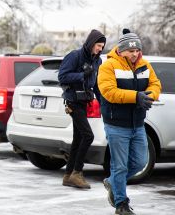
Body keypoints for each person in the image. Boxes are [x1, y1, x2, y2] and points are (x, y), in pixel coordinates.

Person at [98, 29, 161, 215]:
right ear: (121, 50)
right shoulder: (108, 66)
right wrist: (136, 97)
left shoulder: (144, 65)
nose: (135, 54)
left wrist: (150, 95)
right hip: (116, 124)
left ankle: (112, 182)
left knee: (140, 161)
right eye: (131, 51)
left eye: (137, 51)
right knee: (120, 166)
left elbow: (155, 83)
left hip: (138, 123)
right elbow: (108, 91)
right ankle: (121, 204)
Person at [58, 29, 106, 189]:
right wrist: (82, 75)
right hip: (73, 101)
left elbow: (97, 84)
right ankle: (77, 173)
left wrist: (102, 102)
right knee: (88, 136)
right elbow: (62, 76)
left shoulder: (97, 61)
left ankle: (68, 175)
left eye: (102, 46)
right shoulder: (75, 56)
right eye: (98, 45)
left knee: (79, 138)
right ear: (91, 43)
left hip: (84, 101)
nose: (100, 49)